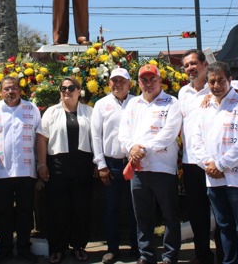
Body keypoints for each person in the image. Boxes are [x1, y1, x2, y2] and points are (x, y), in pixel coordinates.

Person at [192, 61, 238, 264]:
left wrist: (221, 165)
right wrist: (209, 164)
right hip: (214, 180)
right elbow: (196, 142)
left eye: (221, 80)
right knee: (224, 227)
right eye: (212, 81)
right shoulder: (204, 107)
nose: (216, 85)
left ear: (230, 80)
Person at [118, 64, 182, 264]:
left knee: (170, 216)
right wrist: (131, 148)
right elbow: (123, 132)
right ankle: (146, 255)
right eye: (144, 80)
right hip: (138, 170)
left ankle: (170, 256)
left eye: (152, 79)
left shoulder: (172, 102)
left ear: (159, 80)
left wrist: (141, 149)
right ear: (138, 83)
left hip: (163, 168)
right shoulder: (133, 104)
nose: (148, 83)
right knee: (142, 217)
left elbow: (169, 133)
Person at [0, 76, 41, 264]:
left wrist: (40, 167)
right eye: (7, 89)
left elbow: (39, 141)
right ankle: (5, 248)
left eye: (14, 88)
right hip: (1, 174)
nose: (11, 92)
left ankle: (24, 248)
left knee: (25, 212)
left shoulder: (31, 109)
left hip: (26, 171)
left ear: (20, 90)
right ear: (1, 92)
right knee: (3, 213)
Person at [36, 77, 94, 264]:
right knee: (58, 209)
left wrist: (96, 163)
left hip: (83, 164)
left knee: (81, 208)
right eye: (63, 88)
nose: (66, 91)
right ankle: (57, 248)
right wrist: (42, 164)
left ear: (79, 90)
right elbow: (42, 139)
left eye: (71, 88)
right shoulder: (51, 112)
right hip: (58, 165)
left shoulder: (89, 112)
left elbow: (96, 139)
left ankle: (78, 246)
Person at [90, 68, 138, 264]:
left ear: (129, 83)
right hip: (111, 164)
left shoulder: (137, 102)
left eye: (122, 81)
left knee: (136, 208)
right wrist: (101, 165)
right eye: (114, 81)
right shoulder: (101, 105)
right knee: (111, 208)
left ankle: (138, 247)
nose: (118, 84)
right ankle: (112, 249)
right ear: (109, 83)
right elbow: (96, 135)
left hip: (134, 163)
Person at [178, 50, 218, 264]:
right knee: (197, 212)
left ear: (204, 64)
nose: (190, 68)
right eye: (186, 65)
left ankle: (225, 254)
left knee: (220, 213)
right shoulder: (183, 93)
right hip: (191, 162)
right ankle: (202, 255)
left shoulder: (216, 89)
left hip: (214, 162)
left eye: (194, 63)